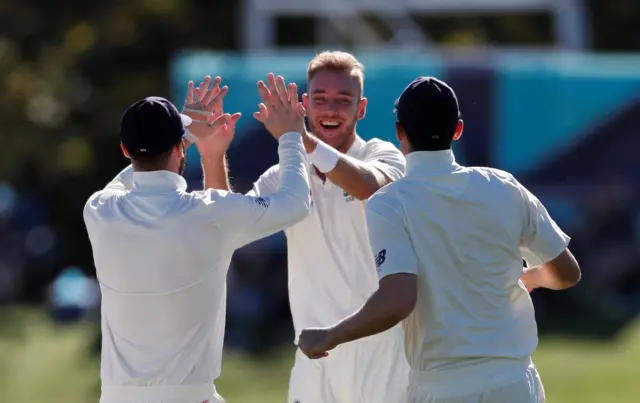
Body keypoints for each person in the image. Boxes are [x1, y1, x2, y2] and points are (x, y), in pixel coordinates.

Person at [298, 76, 582, 403]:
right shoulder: (504, 185)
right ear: (457, 130)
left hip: (442, 387)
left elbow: (398, 300)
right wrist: (532, 277)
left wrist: (331, 336)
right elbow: (567, 272)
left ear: (400, 132)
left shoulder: (389, 202)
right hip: (515, 382)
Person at [83, 75, 311, 403]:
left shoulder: (99, 211)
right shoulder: (206, 213)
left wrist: (191, 137)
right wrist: (291, 135)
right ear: (178, 148)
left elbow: (129, 179)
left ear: (123, 149)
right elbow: (294, 203)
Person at [247, 52, 409, 403]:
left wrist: (299, 138)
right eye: (320, 99)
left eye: (342, 100)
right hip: (313, 357)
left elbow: (370, 187)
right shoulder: (286, 175)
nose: (331, 109)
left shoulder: (382, 155)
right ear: (304, 104)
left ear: (361, 108)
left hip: (382, 357)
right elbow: (233, 227)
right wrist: (214, 154)